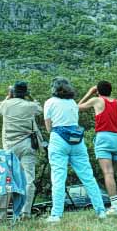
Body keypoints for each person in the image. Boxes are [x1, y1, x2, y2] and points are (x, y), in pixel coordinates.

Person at [44, 77, 106, 222]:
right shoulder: (72, 102)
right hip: (77, 140)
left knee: (58, 178)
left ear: (53, 88)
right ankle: (101, 210)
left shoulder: (50, 102)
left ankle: (56, 215)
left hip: (58, 139)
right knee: (88, 177)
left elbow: (48, 128)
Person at [78, 81, 117, 215]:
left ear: (98, 91)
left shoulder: (96, 100)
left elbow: (77, 107)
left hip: (103, 137)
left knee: (108, 173)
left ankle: (115, 206)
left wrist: (90, 92)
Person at [0, 81, 43, 221]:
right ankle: (25, 213)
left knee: (5, 179)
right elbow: (40, 109)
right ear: (25, 93)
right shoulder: (31, 106)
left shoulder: (6, 105)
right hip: (28, 145)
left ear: (13, 92)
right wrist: (30, 96)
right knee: (28, 180)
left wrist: (8, 96)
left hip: (9, 146)